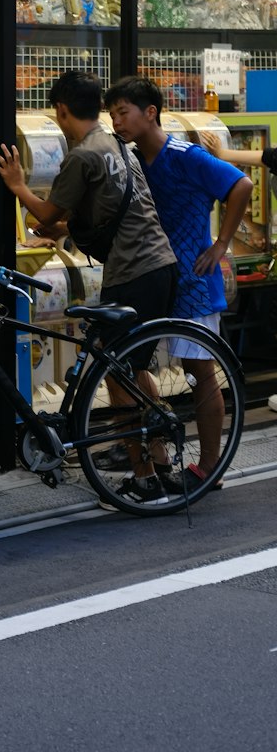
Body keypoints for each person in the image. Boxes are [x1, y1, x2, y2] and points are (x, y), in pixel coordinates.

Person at [0, 68, 178, 504]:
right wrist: (57, 228)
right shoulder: (116, 143)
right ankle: (162, 464)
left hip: (133, 271)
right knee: (135, 370)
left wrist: (17, 185)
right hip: (159, 266)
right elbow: (81, 213)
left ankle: (144, 477)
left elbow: (47, 211)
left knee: (115, 373)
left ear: (60, 110)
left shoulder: (82, 156)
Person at [105, 78, 251, 491]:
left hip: (195, 280)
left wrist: (221, 243)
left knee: (201, 373)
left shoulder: (185, 155)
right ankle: (161, 462)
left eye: (123, 112)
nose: (117, 121)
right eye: (112, 114)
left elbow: (242, 184)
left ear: (150, 112)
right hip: (159, 279)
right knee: (139, 367)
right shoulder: (132, 158)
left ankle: (209, 468)